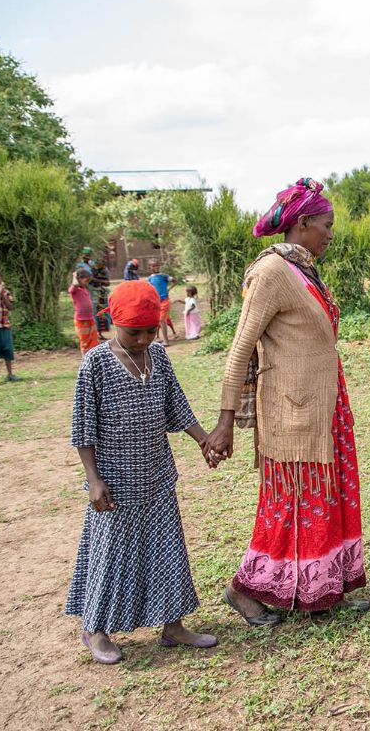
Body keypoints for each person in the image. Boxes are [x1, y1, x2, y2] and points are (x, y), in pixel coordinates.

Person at [204, 177, 367, 625]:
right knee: (290, 502)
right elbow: (241, 346)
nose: (331, 234)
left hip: (325, 406)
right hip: (291, 412)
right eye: (327, 225)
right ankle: (245, 591)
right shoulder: (272, 272)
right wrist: (224, 421)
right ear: (302, 223)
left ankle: (322, 589)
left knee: (326, 498)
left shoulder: (303, 268)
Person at [66, 279, 219, 664]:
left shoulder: (158, 357)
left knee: (167, 550)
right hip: (114, 482)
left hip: (156, 475)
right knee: (110, 554)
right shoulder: (96, 363)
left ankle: (172, 626)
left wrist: (203, 441)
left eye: (150, 331)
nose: (143, 339)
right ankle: (94, 628)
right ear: (116, 324)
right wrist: (94, 479)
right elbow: (83, 426)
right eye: (135, 332)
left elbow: (176, 405)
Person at [69, 268, 100, 355]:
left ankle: (93, 356)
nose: (87, 282)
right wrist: (75, 276)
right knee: (85, 339)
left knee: (93, 338)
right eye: (85, 280)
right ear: (79, 279)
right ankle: (86, 357)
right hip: (81, 319)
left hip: (90, 317)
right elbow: (74, 285)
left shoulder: (84, 290)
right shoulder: (74, 290)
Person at [146, 259, 177, 346]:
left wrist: (169, 289)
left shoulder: (164, 276)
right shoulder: (150, 278)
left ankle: (166, 341)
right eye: (153, 266)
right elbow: (149, 288)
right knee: (157, 320)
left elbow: (175, 281)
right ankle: (158, 338)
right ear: (150, 267)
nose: (155, 267)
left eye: (156, 265)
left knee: (162, 320)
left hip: (164, 300)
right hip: (155, 302)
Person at [91, 259, 112, 338]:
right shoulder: (93, 271)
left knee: (102, 313)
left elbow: (107, 283)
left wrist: (97, 280)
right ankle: (97, 332)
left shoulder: (104, 271)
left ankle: (100, 333)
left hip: (102, 294)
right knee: (96, 312)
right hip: (95, 293)